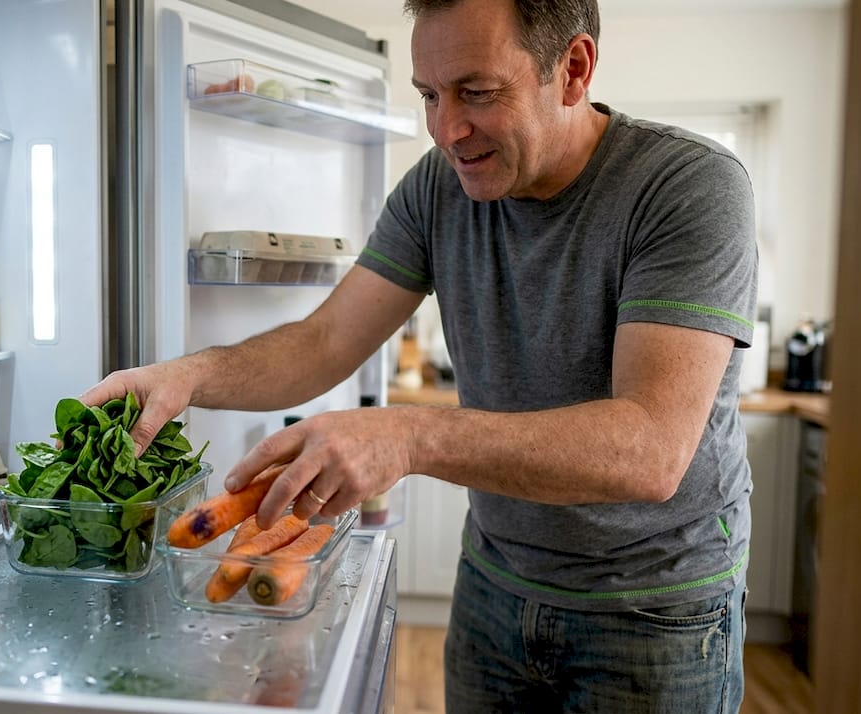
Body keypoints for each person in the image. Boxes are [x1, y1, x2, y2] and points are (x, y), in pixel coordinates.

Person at [82, 0, 757, 710]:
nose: (446, 130)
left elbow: (650, 449)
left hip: (654, 611)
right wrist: (191, 374)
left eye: (477, 92)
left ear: (574, 69)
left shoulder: (687, 187)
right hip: (495, 585)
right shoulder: (439, 188)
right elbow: (324, 341)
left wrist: (407, 435)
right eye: (429, 95)